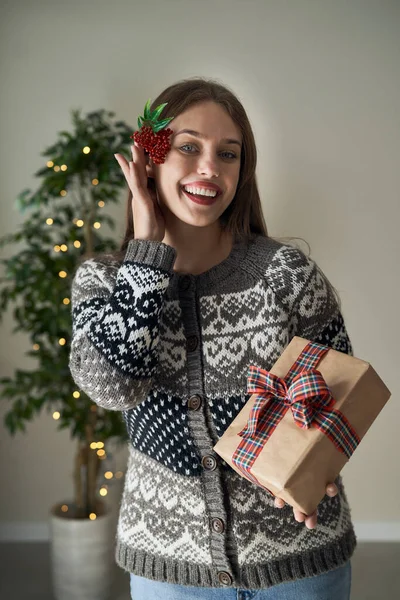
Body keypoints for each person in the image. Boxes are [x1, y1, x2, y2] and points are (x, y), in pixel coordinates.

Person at [69, 77, 355, 600]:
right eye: (189, 147)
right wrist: (148, 256)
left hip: (299, 562)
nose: (209, 168)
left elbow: (339, 392)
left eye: (228, 153)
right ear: (148, 159)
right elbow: (110, 387)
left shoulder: (286, 275)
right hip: (171, 571)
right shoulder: (105, 282)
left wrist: (318, 464)